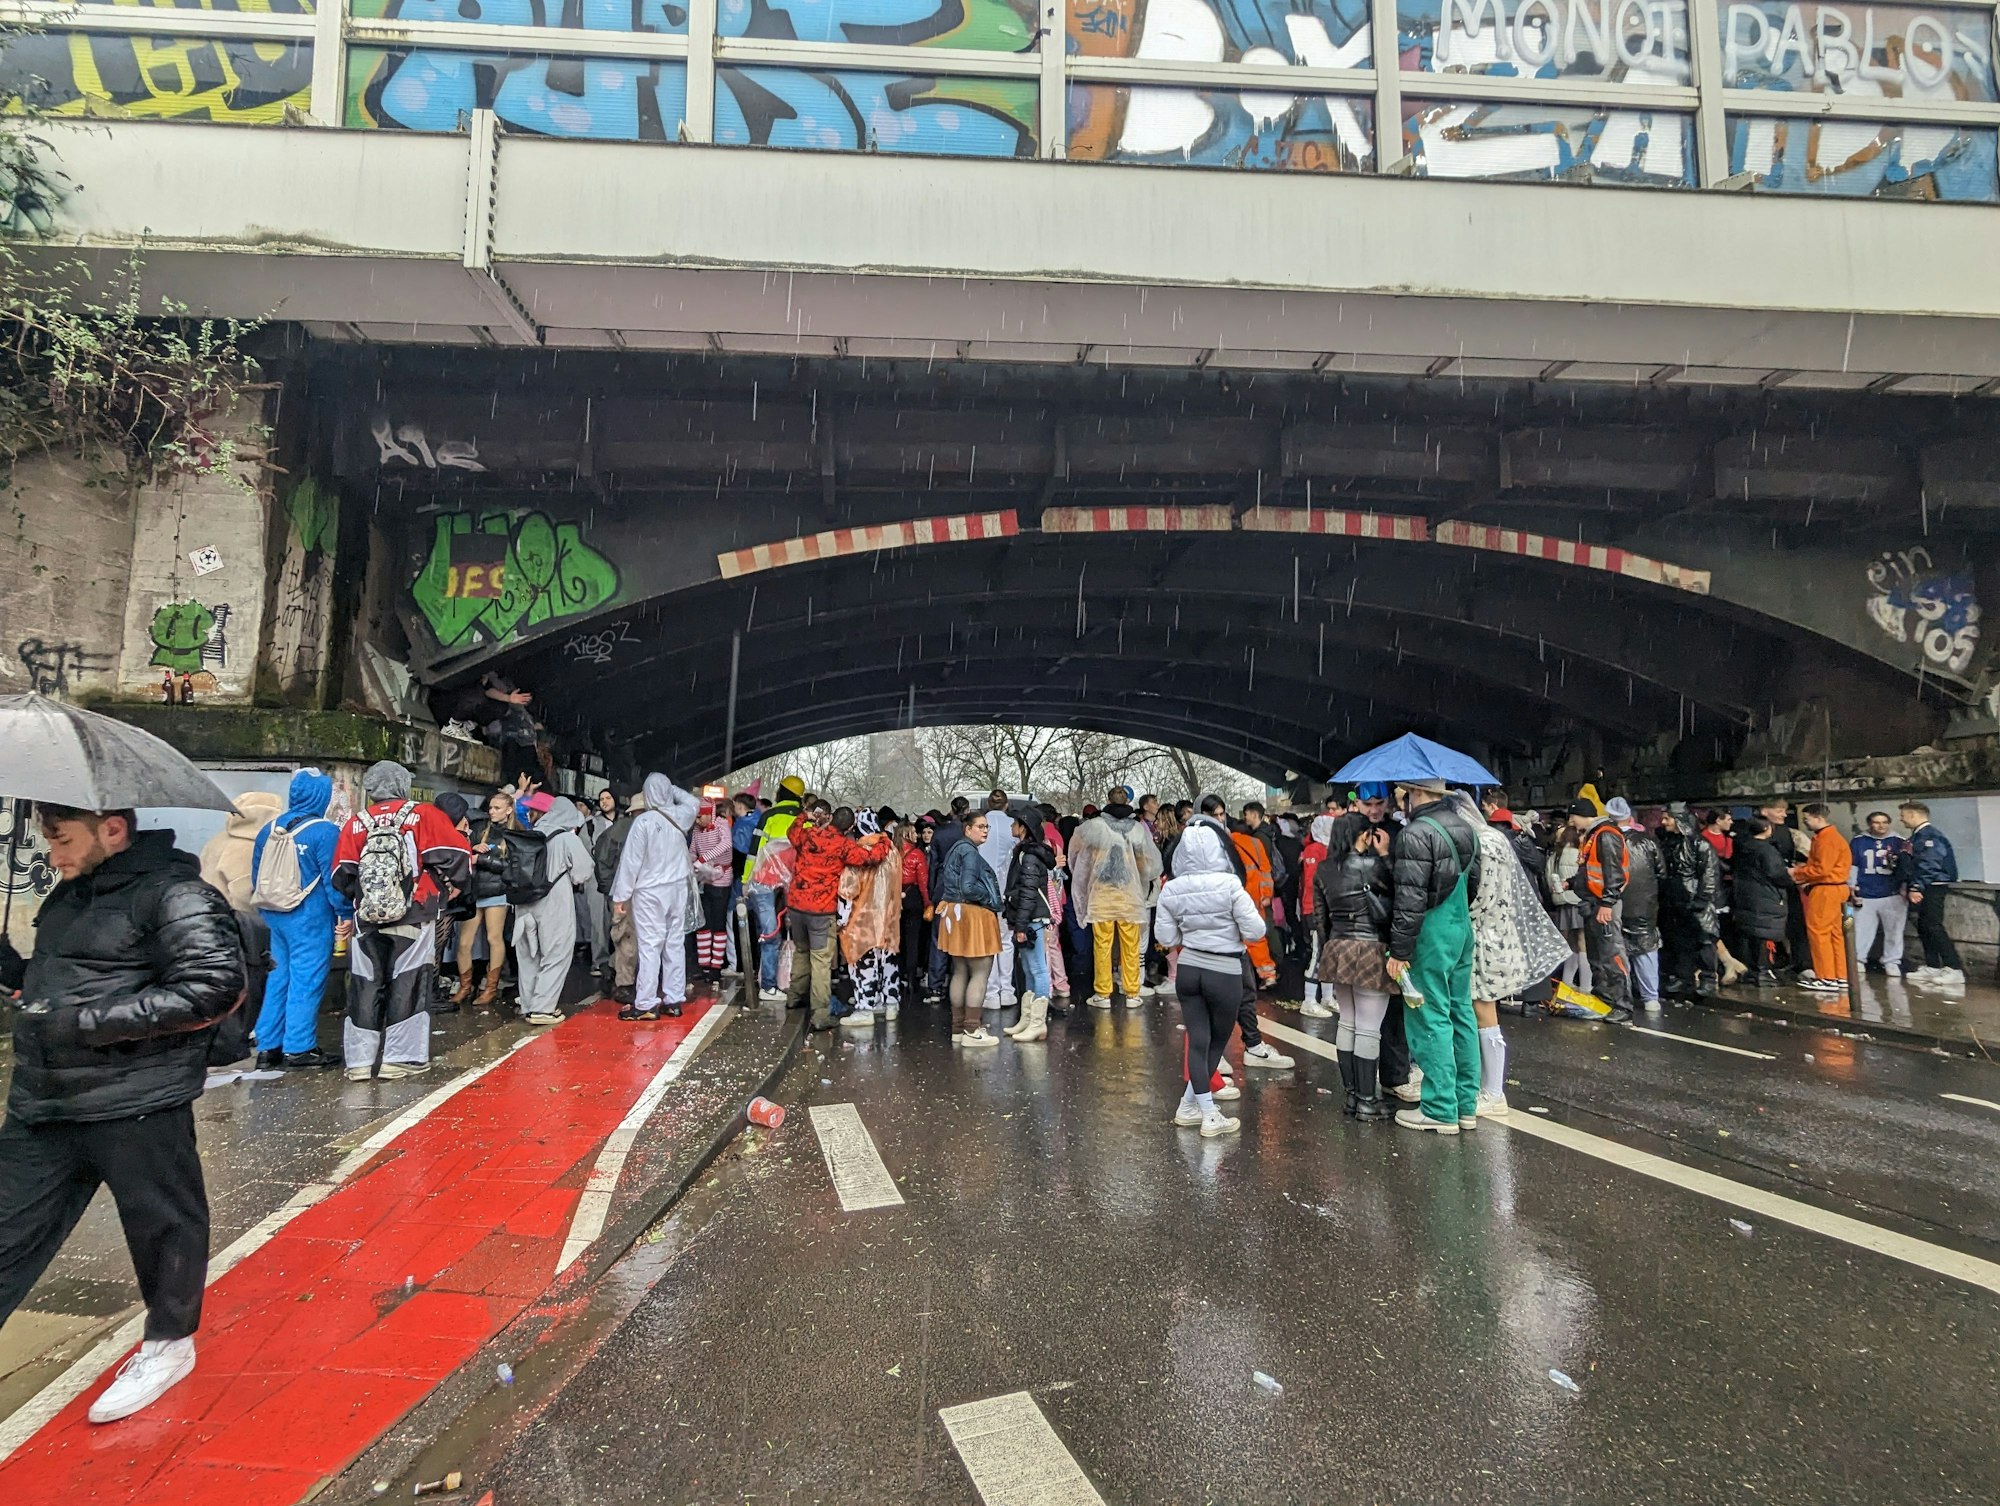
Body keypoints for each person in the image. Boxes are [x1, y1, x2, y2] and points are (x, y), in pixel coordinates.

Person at [0, 803, 246, 1423]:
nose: (54, 856)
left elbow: (213, 984)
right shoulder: (69, 895)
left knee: (163, 1225)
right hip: (45, 1098)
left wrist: (83, 1025)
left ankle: (168, 1344)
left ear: (112, 828)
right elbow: (56, 982)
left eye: (62, 840)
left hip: (136, 1096)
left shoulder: (175, 893)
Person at [331, 762, 470, 1080]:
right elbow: (457, 853)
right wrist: (453, 887)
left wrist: (364, 898)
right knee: (409, 981)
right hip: (415, 913)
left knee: (366, 986)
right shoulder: (423, 815)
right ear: (402, 785)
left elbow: (340, 874)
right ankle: (401, 1058)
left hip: (366, 919)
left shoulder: (357, 822)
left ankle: (360, 1063)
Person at [1155, 821, 1265, 1139]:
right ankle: (1208, 1115)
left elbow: (1164, 935)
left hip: (1189, 968)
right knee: (1217, 1041)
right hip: (1225, 971)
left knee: (1198, 1039)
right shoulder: (1230, 884)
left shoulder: (1172, 888)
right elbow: (1256, 930)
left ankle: (1191, 1106)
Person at [1387, 778, 1483, 1133]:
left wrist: (1399, 951)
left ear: (1416, 793)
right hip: (1460, 927)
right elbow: (1472, 884)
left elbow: (1409, 900)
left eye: (1403, 795)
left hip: (1430, 932)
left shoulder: (1414, 834)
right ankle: (1465, 1104)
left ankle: (1440, 1107)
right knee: (1461, 1012)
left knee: (1428, 1014)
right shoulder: (1468, 829)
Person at [249, 769, 346, 1069]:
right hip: (310, 917)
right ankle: (300, 1047)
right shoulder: (325, 832)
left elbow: (257, 876)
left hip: (274, 914)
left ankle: (268, 1047)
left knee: (278, 978)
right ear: (321, 797)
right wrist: (345, 913)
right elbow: (334, 881)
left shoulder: (269, 828)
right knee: (306, 980)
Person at [1314, 812, 1394, 1120]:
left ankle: (1351, 1097)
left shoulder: (1322, 869)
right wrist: (1385, 853)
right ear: (1364, 835)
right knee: (1369, 1027)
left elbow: (1320, 919)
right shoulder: (1373, 865)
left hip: (1337, 946)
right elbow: (1397, 889)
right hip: (1369, 946)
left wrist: (1327, 951)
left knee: (1347, 1020)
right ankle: (1367, 1101)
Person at [784, 803, 891, 1029]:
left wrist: (806, 816)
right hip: (821, 911)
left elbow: (791, 833)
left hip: (796, 905)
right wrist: (884, 839)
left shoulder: (810, 835)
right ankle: (821, 1016)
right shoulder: (843, 846)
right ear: (851, 826)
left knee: (801, 951)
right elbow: (872, 858)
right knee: (821, 961)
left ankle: (794, 998)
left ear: (831, 819)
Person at [611, 772, 702, 1021]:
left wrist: (621, 897)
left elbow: (631, 863)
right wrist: (671, 789)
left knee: (651, 945)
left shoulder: (644, 822)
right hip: (678, 889)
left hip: (650, 892)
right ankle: (673, 999)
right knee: (674, 944)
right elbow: (694, 802)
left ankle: (646, 1002)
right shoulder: (681, 816)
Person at [1069, 788, 1163, 1009]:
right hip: (1129, 896)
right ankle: (1132, 993)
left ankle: (1103, 993)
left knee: (1102, 945)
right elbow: (1150, 864)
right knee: (1131, 945)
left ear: (1108, 802)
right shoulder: (1138, 829)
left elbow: (1076, 854)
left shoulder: (1094, 827)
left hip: (1102, 895)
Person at [513, 792, 595, 1026]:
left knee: (529, 956)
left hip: (524, 903)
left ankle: (529, 1005)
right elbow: (582, 873)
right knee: (555, 953)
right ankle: (543, 1008)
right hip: (554, 902)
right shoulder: (566, 838)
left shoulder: (529, 836)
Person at [934, 809, 1005, 1045]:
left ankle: (958, 1028)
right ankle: (972, 1030)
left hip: (954, 913)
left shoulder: (956, 849)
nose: (985, 831)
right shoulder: (970, 853)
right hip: (973, 913)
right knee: (981, 971)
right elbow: (968, 887)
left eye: (987, 827)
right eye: (980, 826)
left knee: (960, 970)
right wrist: (991, 900)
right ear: (968, 829)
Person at [1566, 798, 1632, 1024]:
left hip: (1603, 905)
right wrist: (1571, 882)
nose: (1571, 822)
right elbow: (1593, 871)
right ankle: (1604, 1001)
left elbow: (1614, 873)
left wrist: (1607, 903)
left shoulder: (1605, 835)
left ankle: (1622, 1006)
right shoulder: (1596, 835)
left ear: (1582, 814)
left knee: (1612, 955)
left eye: (1572, 816)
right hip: (1595, 904)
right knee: (1599, 957)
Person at [838, 810, 904, 1025]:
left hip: (863, 919)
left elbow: (848, 890)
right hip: (890, 917)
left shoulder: (860, 852)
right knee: (888, 961)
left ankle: (865, 1007)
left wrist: (842, 919)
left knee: (863, 963)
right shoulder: (892, 850)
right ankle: (890, 1003)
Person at [744, 776, 805, 1001]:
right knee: (797, 934)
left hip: (763, 882)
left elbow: (754, 852)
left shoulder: (768, 816)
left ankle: (768, 985)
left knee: (769, 933)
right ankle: (793, 982)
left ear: (780, 793)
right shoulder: (804, 820)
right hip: (795, 884)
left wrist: (745, 881)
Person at [1001, 801, 1057, 1042]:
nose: (1012, 826)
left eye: (1015, 823)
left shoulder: (1028, 856)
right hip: (1029, 917)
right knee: (1028, 968)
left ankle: (1037, 1022)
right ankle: (1028, 1019)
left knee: (1037, 969)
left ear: (1024, 827)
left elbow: (1028, 892)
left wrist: (1021, 925)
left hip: (1031, 918)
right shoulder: (1027, 853)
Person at [455, 791, 517, 1007]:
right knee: (464, 942)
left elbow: (511, 867)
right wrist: (472, 849)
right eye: (490, 807)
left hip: (497, 892)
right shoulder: (480, 827)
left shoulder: (515, 833)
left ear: (509, 810)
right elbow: (463, 851)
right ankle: (465, 986)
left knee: (494, 938)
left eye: (497, 808)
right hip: (475, 890)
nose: (492, 811)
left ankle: (490, 988)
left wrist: (482, 859)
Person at [1657, 805, 1725, 996]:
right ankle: (1683, 978)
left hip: (1695, 900)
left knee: (1704, 941)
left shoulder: (1699, 844)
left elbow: (1710, 873)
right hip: (1674, 901)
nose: (1663, 822)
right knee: (1680, 943)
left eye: (1667, 818)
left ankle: (1708, 979)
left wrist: (1703, 899)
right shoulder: (1669, 842)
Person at [1789, 803, 1853, 994]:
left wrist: (1797, 872)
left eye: (1807, 818)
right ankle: (1840, 976)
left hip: (1825, 889)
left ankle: (1825, 977)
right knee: (1836, 934)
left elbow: (1821, 869)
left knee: (1819, 932)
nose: (1805, 822)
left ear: (1817, 818)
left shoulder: (1825, 839)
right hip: (1839, 889)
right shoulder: (1834, 838)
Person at [1608, 798, 1663, 1013]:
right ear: (1630, 817)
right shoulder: (1648, 841)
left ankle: (1624, 995)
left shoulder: (1606, 841)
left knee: (1617, 949)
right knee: (1646, 949)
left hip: (1615, 903)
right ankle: (1651, 998)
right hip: (1645, 902)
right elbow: (1661, 871)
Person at [1900, 801, 1964, 987]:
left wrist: (1916, 887)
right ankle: (1933, 965)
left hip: (1933, 885)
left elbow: (1929, 864)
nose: (1901, 819)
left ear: (1913, 815)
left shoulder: (1929, 836)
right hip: (1927, 884)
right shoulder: (1919, 835)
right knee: (1924, 925)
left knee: (1933, 925)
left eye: (1903, 815)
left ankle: (1954, 968)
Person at [595, 789, 643, 1004]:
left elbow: (602, 863)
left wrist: (610, 892)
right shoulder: (641, 831)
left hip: (620, 892)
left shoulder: (615, 831)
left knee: (623, 936)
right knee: (631, 938)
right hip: (634, 892)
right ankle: (623, 982)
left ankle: (616, 974)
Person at [1730, 818, 1792, 985]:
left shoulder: (1741, 847)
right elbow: (1777, 874)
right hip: (1766, 897)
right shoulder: (1767, 850)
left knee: (1750, 934)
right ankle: (1764, 971)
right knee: (1765, 934)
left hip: (1746, 896)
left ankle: (1751, 970)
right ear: (1766, 829)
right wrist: (1791, 878)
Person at [976, 790, 1022, 1013]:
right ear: (1007, 805)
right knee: (1006, 942)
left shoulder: (980, 825)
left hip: (983, 893)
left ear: (987, 804)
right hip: (1008, 892)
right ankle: (1007, 991)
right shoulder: (1013, 826)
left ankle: (991, 993)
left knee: (987, 944)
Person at [1850, 811, 1910, 976]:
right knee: (1862, 930)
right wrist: (1851, 886)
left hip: (1892, 893)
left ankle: (1892, 961)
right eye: (1876, 822)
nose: (1881, 826)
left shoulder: (1900, 842)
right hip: (1865, 893)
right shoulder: (1858, 842)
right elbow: (1853, 865)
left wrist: (1905, 886)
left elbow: (1906, 868)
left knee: (1895, 931)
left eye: (1884, 822)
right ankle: (1859, 959)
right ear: (1869, 824)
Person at [690, 800, 734, 982]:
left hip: (721, 878)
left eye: (700, 816)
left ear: (709, 813)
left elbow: (726, 844)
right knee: (703, 923)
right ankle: (704, 965)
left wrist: (703, 858)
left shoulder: (721, 824)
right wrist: (691, 861)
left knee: (718, 923)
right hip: (704, 880)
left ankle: (716, 966)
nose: (698, 821)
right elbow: (692, 849)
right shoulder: (696, 830)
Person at [1296, 815, 1333, 1019]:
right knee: (1317, 953)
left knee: (1327, 954)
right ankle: (1309, 1000)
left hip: (1323, 909)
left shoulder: (1319, 849)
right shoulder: (1316, 850)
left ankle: (1327, 996)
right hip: (1315, 909)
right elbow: (1312, 883)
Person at [899, 821, 931, 993]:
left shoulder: (891, 851)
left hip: (894, 896)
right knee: (913, 939)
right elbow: (923, 882)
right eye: (914, 832)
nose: (917, 835)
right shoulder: (917, 854)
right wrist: (927, 903)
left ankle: (898, 974)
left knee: (897, 938)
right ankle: (911, 977)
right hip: (913, 897)